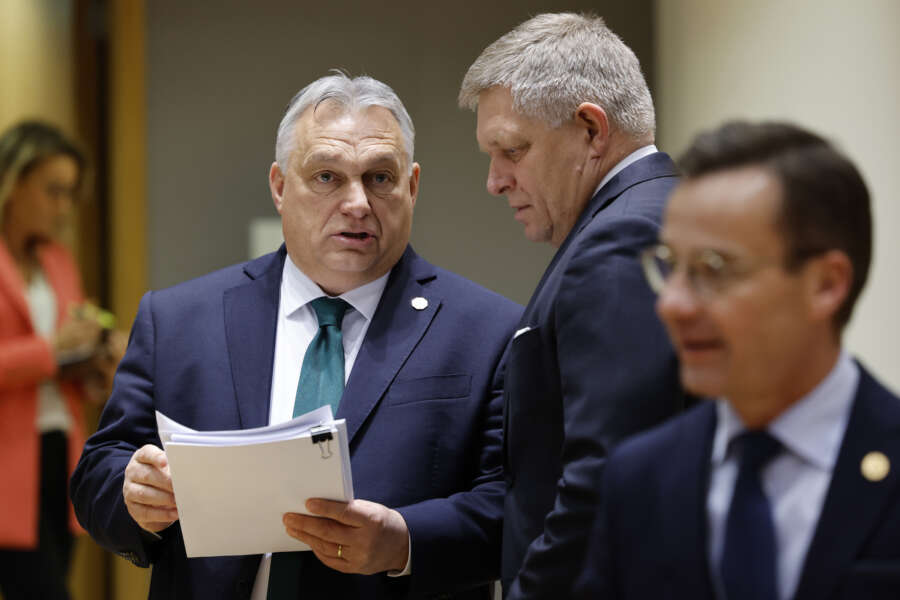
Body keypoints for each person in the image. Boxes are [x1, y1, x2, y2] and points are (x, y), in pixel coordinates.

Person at [70, 73, 521, 600]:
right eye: (327, 176)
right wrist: (131, 493)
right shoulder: (178, 320)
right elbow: (98, 473)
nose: (357, 202)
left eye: (379, 177)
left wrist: (405, 542)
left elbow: (513, 507)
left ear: (412, 187)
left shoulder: (488, 331)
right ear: (280, 186)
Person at [575, 121, 900, 599]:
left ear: (826, 285)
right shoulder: (640, 476)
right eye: (669, 266)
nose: (672, 304)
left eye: (713, 269)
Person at [458, 12, 690, 599]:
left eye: (511, 149)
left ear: (591, 129)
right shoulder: (664, 215)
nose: (495, 181)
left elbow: (604, 482)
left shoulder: (622, 241)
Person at [0, 121, 121, 599]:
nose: (63, 207)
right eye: (53, 191)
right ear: (12, 182)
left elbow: (64, 358)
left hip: (59, 451)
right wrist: (53, 349)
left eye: (69, 193)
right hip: (7, 463)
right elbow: (50, 349)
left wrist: (95, 358)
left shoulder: (57, 260)